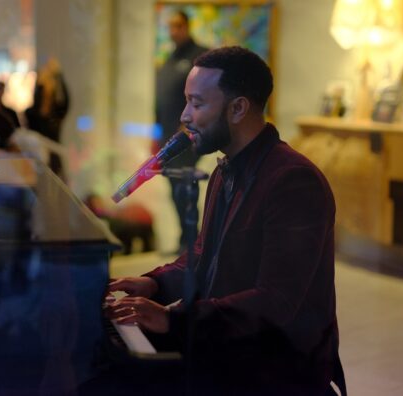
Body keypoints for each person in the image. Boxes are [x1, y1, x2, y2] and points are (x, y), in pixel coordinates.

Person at [106, 47, 345, 395]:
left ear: (238, 108)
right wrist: (154, 284)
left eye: (197, 103)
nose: (185, 116)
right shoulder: (226, 169)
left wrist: (174, 320)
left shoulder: (293, 181)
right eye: (186, 102)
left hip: (275, 370)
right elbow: (205, 258)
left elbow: (276, 300)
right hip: (230, 350)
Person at [155, 10, 208, 253]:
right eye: (170, 26)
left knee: (184, 188)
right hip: (166, 137)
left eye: (177, 25)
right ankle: (185, 241)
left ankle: (191, 243)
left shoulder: (200, 56)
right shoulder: (169, 58)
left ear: (187, 26)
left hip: (187, 137)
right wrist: (156, 135)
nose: (173, 30)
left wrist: (190, 124)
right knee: (173, 189)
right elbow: (160, 101)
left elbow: (206, 96)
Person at [25, 57, 70, 178]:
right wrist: (40, 83)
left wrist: (59, 76)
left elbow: (65, 101)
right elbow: (37, 102)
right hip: (38, 161)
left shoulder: (56, 116)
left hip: (54, 161)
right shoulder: (32, 115)